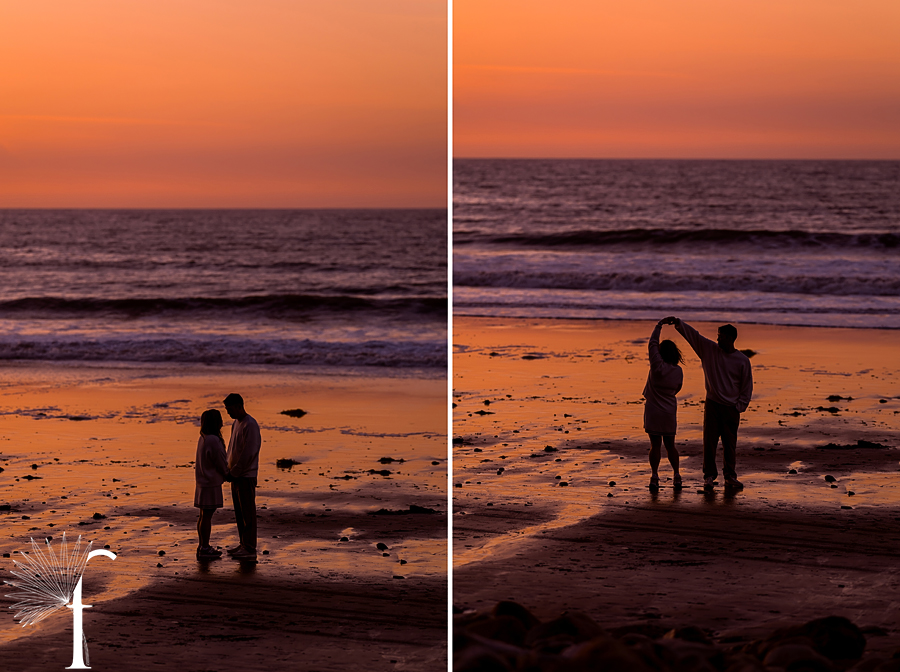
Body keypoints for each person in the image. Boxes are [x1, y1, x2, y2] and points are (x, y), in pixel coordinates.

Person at [667, 317, 753, 490]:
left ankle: (730, 476)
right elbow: (694, 336)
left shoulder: (742, 360)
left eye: (720, 336)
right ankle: (709, 477)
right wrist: (678, 323)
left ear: (730, 338)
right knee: (709, 443)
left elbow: (747, 386)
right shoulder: (709, 350)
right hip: (712, 404)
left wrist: (739, 407)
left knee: (729, 444)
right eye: (717, 335)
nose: (717, 339)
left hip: (731, 408)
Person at [643, 318, 685, 490]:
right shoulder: (678, 371)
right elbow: (677, 389)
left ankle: (654, 476)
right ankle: (676, 475)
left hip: (653, 409)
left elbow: (652, 344)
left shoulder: (656, 367)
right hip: (669, 411)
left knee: (655, 446)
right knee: (670, 445)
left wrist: (658, 325)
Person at [223, 393, 262, 561]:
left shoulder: (250, 425)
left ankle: (250, 547)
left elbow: (249, 453)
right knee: (239, 512)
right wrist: (227, 468)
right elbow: (232, 448)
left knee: (248, 512)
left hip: (245, 475)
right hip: (235, 474)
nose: (228, 413)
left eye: (230, 409)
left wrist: (236, 471)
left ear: (239, 406)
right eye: (227, 410)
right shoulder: (236, 423)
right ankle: (243, 543)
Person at [194, 409, 229, 560]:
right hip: (210, 482)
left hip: (203, 482)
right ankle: (205, 547)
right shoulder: (213, 440)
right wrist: (228, 474)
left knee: (203, 515)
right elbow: (220, 461)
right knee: (207, 516)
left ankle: (202, 545)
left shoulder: (203, 438)